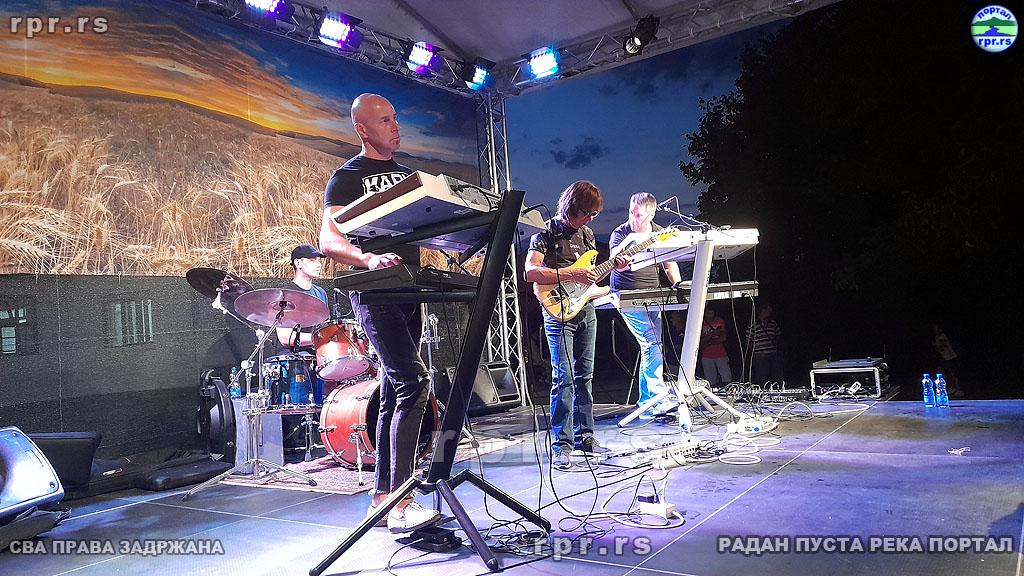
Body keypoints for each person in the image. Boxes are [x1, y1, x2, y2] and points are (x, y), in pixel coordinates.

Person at [318, 93, 439, 533]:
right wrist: (367, 259)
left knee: (392, 392)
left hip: (409, 291)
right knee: (413, 383)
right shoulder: (346, 178)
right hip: (374, 292)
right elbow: (329, 241)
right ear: (362, 130)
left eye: (395, 118)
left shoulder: (407, 177)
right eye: (385, 120)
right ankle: (400, 501)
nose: (396, 126)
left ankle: (383, 498)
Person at [524, 181, 626, 469]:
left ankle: (586, 437)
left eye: (594, 214)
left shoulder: (588, 235)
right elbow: (530, 272)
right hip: (557, 312)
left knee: (585, 377)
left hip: (586, 310)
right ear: (571, 207)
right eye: (587, 213)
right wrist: (572, 273)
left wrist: (612, 267)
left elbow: (589, 277)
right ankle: (562, 445)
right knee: (563, 378)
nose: (590, 219)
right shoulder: (545, 232)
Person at [608, 193, 681, 417]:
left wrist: (679, 286)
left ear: (651, 214)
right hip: (626, 295)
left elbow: (670, 263)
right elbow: (616, 263)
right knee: (651, 343)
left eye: (638, 215)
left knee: (651, 346)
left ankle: (645, 401)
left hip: (652, 295)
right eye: (631, 212)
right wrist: (622, 261)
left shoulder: (659, 232)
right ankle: (658, 398)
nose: (633, 218)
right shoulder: (621, 233)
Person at [272, 244, 329, 405]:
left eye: (319, 260)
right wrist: (318, 339)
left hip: (318, 360)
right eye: (312, 260)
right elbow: (285, 337)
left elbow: (324, 328)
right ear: (298, 263)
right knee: (298, 410)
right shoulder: (285, 294)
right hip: (294, 362)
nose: (318, 264)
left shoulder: (320, 293)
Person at [746, 303, 783, 385]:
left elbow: (778, 336)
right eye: (769, 309)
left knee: (777, 378)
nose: (770, 311)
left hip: (773, 355)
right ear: (763, 310)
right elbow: (748, 341)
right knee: (762, 379)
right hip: (760, 357)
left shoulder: (773, 323)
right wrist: (756, 351)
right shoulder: (753, 324)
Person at [700, 306, 732, 387]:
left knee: (727, 378)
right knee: (710, 381)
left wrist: (709, 342)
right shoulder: (701, 322)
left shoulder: (719, 321)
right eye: (708, 313)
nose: (710, 316)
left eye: (711, 313)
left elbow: (723, 338)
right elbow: (701, 341)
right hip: (707, 355)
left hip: (720, 353)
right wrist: (714, 333)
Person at [931, 324, 965, 398]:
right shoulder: (938, 337)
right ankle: (949, 389)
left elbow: (941, 347)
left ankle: (957, 389)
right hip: (944, 357)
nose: (935, 330)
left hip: (947, 357)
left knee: (950, 373)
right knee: (944, 373)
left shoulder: (942, 336)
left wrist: (935, 346)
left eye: (936, 329)